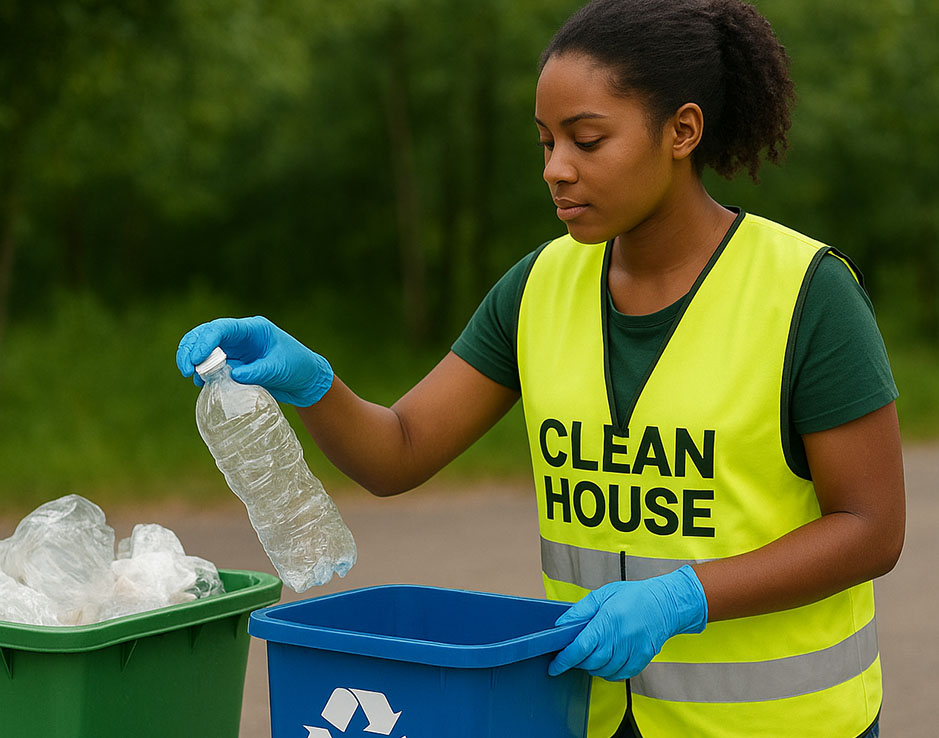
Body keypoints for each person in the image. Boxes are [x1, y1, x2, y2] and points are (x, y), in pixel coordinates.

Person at [176, 1, 905, 736]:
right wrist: (312, 381)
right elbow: (397, 452)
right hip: (581, 715)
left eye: (587, 140)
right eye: (546, 141)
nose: (556, 169)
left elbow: (869, 526)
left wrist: (682, 597)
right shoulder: (539, 286)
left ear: (681, 131)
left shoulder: (805, 293)